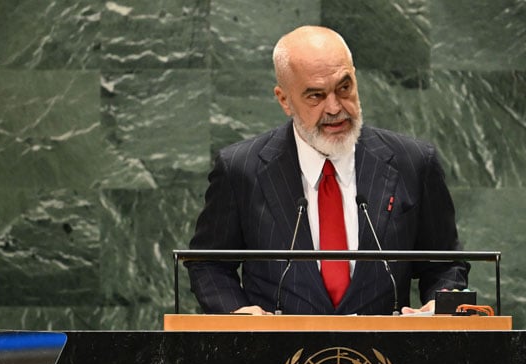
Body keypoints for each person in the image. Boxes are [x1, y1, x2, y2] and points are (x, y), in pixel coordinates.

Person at [186, 25, 469, 315]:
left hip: (384, 355)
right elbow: (209, 263)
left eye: (344, 88)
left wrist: (440, 306)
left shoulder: (413, 162)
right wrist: (238, 314)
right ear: (284, 100)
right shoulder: (240, 169)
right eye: (315, 96)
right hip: (276, 354)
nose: (335, 107)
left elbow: (444, 263)